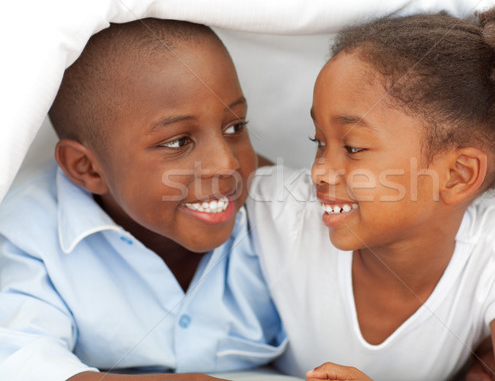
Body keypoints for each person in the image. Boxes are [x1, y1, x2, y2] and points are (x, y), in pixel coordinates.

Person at [247, 0, 495, 381]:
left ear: (458, 175)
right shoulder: (286, 208)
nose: (319, 172)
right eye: (319, 142)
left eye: (353, 148)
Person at [0, 19, 286, 381]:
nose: (225, 163)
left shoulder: (280, 211)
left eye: (234, 127)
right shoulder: (31, 231)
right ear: (87, 168)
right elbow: (20, 359)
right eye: (178, 141)